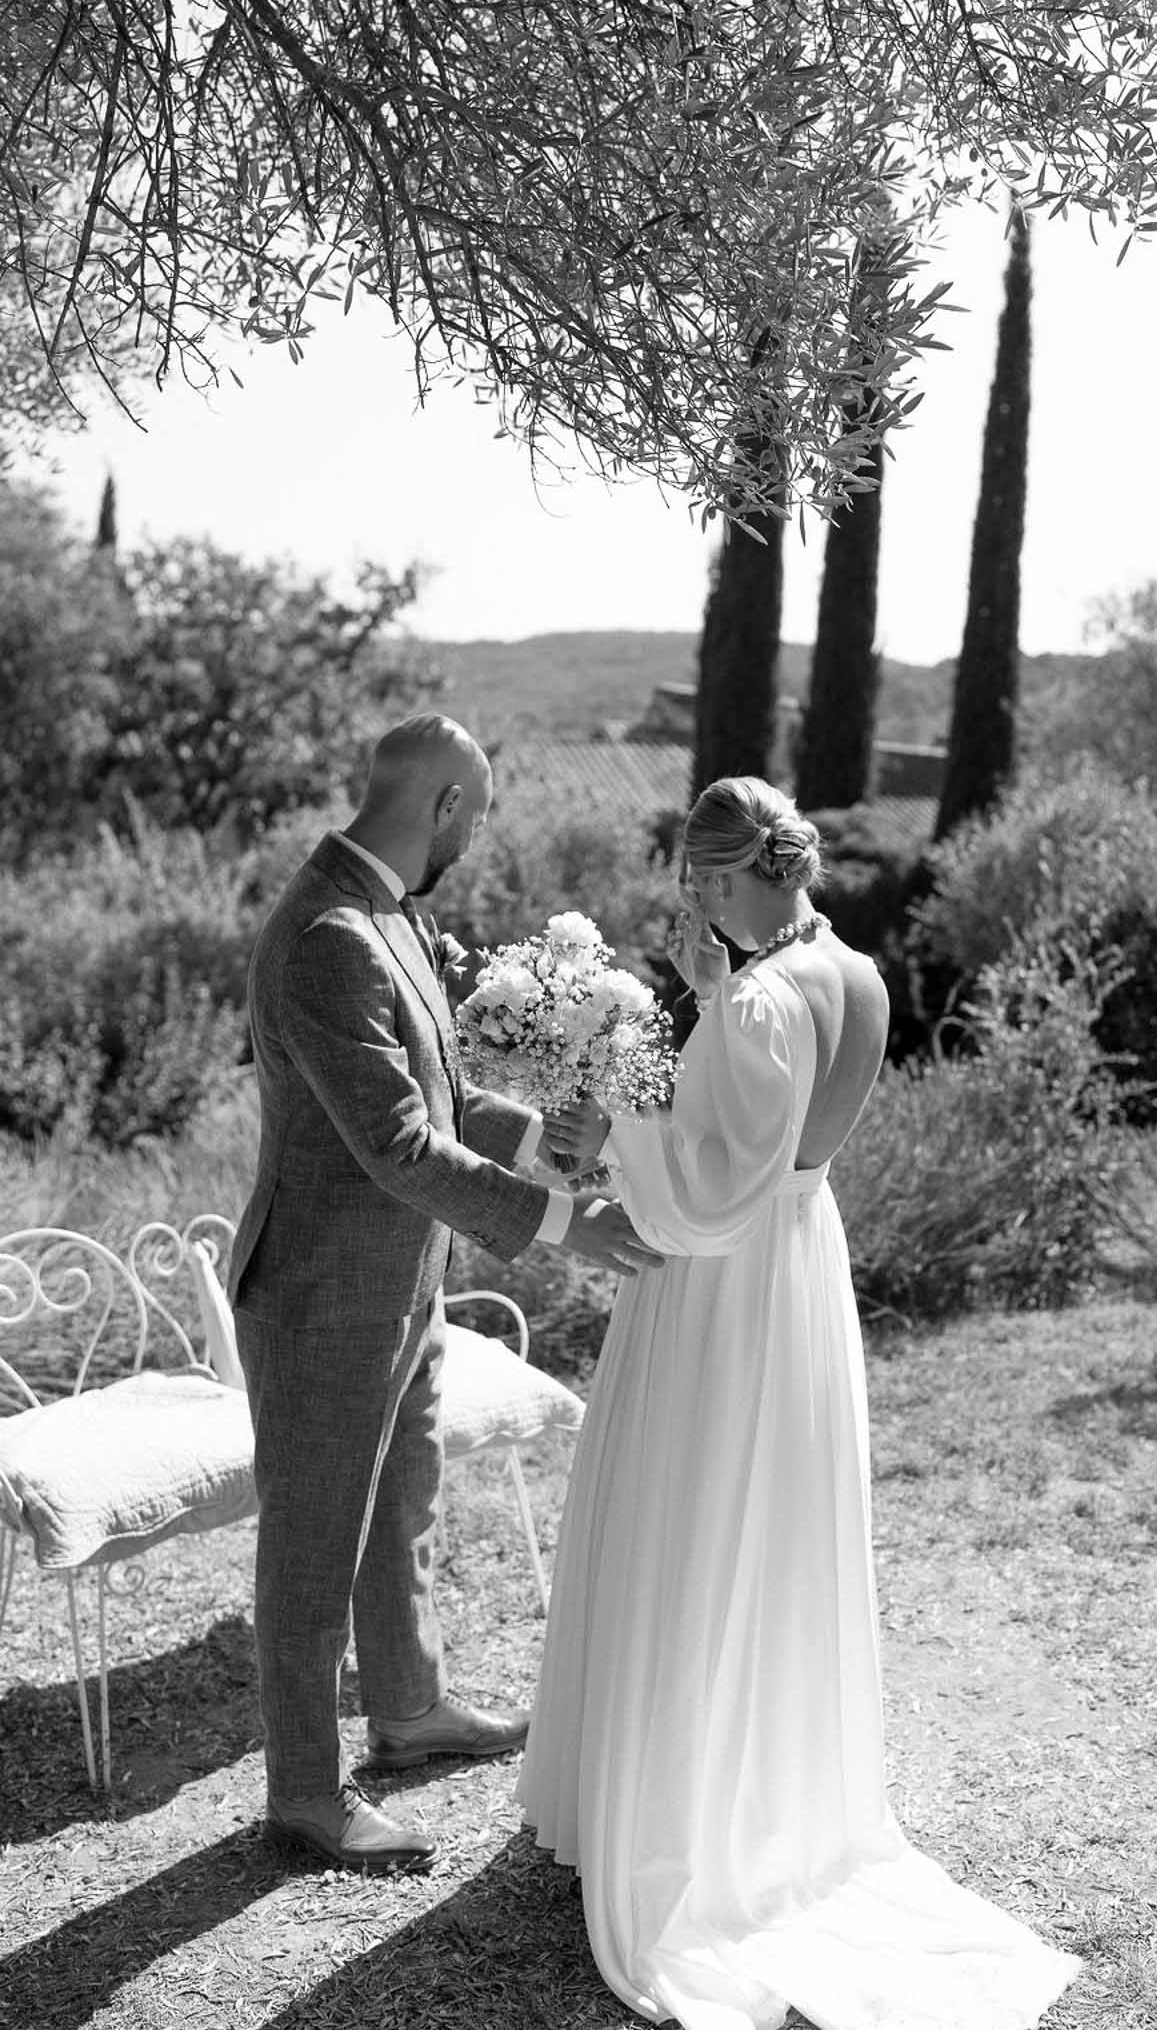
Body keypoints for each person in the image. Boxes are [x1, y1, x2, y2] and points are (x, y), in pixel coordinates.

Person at [520, 777, 1081, 2030]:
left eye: (698, 884)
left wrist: (617, 1098)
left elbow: (708, 1189)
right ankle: (765, 1788)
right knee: (767, 1529)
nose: (694, 909)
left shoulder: (759, 1000)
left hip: (719, 1288)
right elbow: (781, 1148)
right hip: (802, 1264)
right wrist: (703, 1013)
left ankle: (681, 1820)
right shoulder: (859, 975)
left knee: (693, 1515)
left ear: (731, 873)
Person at [228, 713, 660, 1873]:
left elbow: (446, 1092)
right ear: (449, 807)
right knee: (313, 1542)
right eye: (483, 813)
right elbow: (398, 1145)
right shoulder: (328, 933)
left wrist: (554, 1141)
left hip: (401, 1278)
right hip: (321, 1292)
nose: (480, 834)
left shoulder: (387, 915)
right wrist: (570, 1225)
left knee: (401, 1501)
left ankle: (410, 1707)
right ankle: (307, 1800)